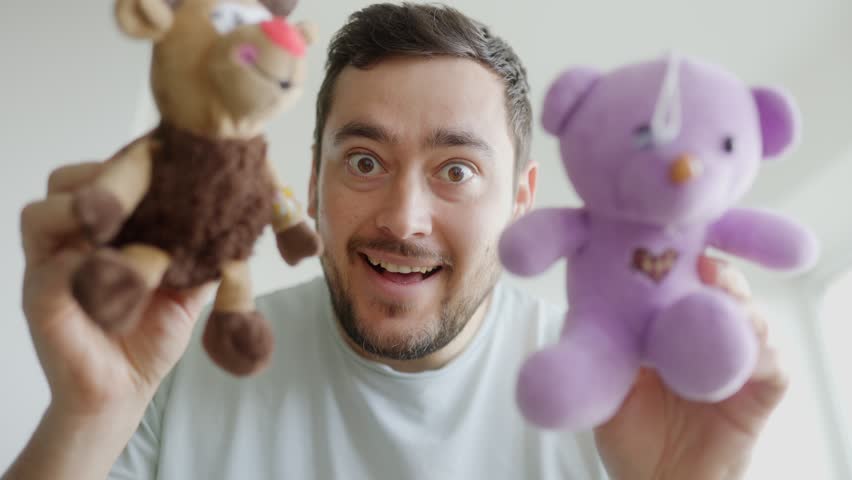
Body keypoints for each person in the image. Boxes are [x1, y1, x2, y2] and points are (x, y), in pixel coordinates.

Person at [5, 3, 788, 479]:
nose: (404, 218)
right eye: (365, 161)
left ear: (522, 199)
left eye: (456, 169)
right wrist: (88, 414)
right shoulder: (177, 360)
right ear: (312, 180)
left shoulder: (619, 394)